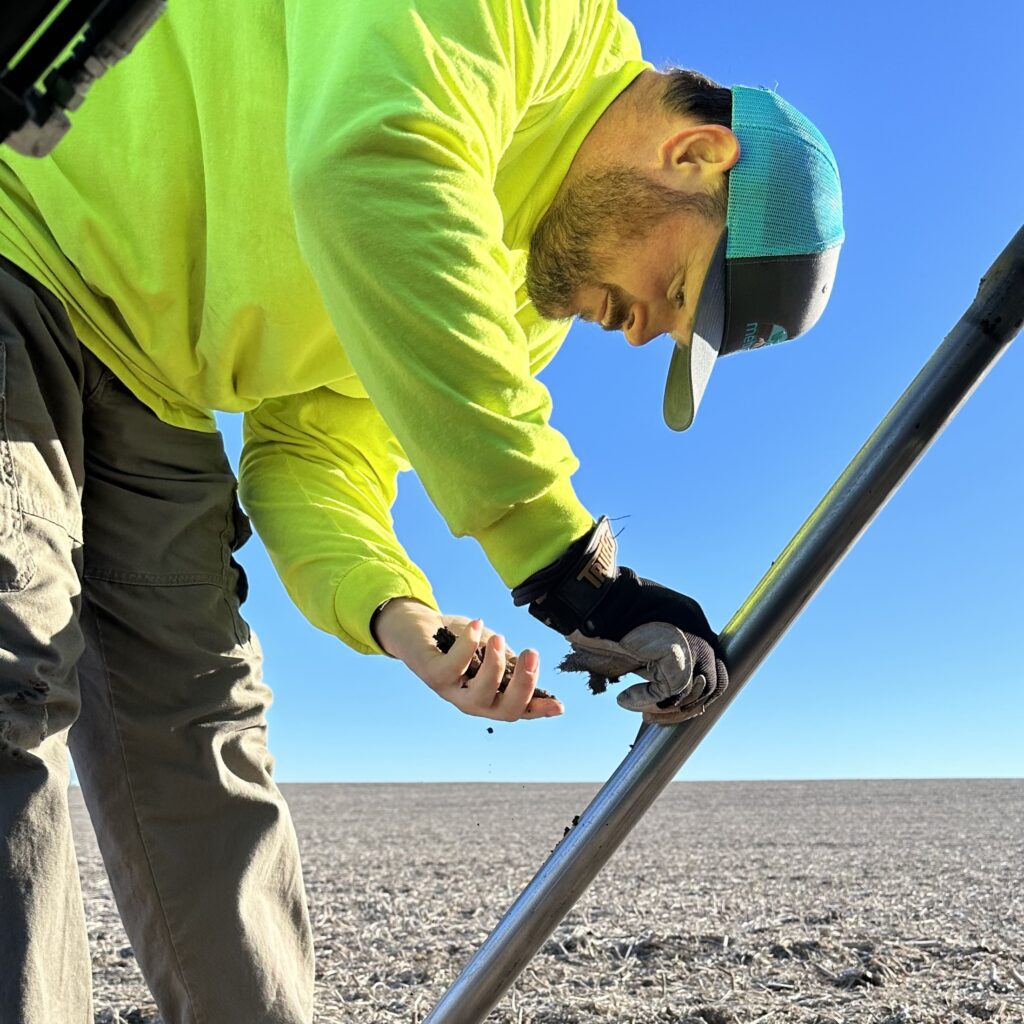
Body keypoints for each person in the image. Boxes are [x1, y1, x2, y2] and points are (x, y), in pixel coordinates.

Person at [0, 0, 843, 1020]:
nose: (637, 335)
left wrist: (407, 622)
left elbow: (315, 453)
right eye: (675, 291)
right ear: (696, 153)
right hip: (23, 220)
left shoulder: (518, 320)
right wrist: (568, 568)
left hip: (160, 380)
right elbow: (372, 167)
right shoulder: (528, 19)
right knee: (11, 661)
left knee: (202, 732)